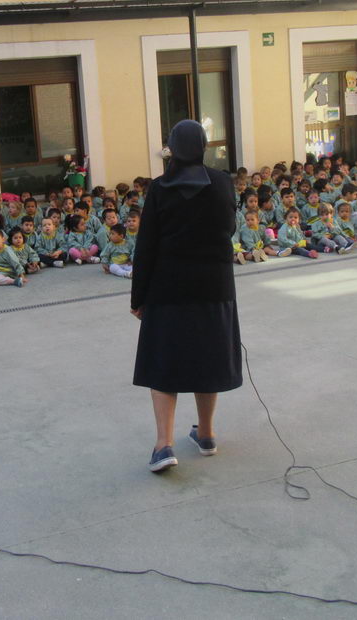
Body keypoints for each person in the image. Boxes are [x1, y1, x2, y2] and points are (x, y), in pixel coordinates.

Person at [132, 119, 243, 473]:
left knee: (164, 364)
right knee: (207, 357)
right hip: (214, 286)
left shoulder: (161, 189)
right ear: (204, 146)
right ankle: (207, 435)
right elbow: (229, 228)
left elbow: (146, 245)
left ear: (172, 148)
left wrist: (139, 297)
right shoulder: (223, 183)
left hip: (168, 287)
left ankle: (164, 445)